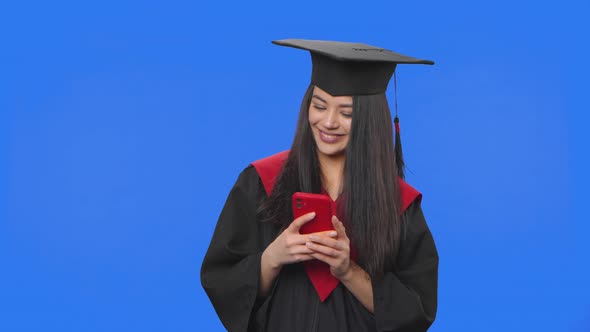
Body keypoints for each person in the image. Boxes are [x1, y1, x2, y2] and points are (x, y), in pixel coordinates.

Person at [201, 39, 439, 332]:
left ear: (370, 121)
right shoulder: (262, 182)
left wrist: (348, 271)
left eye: (347, 113)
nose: (328, 122)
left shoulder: (398, 204)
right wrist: (273, 257)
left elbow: (416, 310)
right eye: (319, 105)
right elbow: (221, 279)